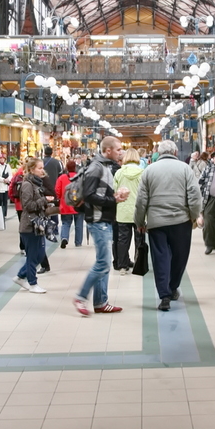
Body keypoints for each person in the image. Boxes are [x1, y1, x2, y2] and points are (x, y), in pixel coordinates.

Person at [134, 139, 202, 311]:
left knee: (160, 258)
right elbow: (194, 195)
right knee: (180, 257)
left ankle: (164, 295)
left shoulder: (149, 170)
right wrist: (194, 216)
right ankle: (172, 288)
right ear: (175, 153)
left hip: (156, 223)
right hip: (181, 222)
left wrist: (140, 221)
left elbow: (141, 200)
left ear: (159, 152)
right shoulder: (185, 169)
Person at [72, 136, 129, 317]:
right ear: (108, 150)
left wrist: (114, 195)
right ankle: (80, 297)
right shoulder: (97, 167)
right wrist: (113, 199)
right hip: (98, 221)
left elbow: (99, 192)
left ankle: (101, 302)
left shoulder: (104, 166)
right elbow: (88, 195)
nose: (121, 152)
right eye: (118, 149)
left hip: (104, 219)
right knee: (103, 262)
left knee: (104, 264)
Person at [13, 156, 55, 293]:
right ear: (32, 169)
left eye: (43, 167)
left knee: (39, 254)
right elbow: (28, 205)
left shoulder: (37, 184)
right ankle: (32, 283)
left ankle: (20, 276)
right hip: (29, 225)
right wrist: (44, 200)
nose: (42, 171)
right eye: (40, 168)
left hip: (38, 224)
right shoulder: (27, 185)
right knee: (32, 255)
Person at [114, 147, 144, 273]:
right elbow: (145, 193)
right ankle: (139, 264)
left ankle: (122, 265)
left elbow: (114, 191)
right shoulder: (142, 173)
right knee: (139, 239)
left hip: (123, 210)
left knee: (123, 239)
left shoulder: (119, 173)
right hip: (138, 211)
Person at [55, 158, 85, 248]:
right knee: (79, 224)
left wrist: (61, 198)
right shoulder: (80, 177)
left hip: (66, 204)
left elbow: (57, 190)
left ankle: (64, 237)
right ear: (75, 167)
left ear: (66, 168)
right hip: (78, 204)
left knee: (65, 222)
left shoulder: (62, 178)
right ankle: (78, 242)